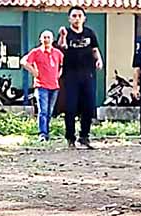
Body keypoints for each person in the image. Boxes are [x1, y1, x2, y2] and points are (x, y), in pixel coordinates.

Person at [57, 6, 103, 149]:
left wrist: (99, 59)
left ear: (84, 18)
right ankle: (70, 138)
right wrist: (63, 36)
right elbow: (61, 47)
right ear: (69, 19)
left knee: (88, 107)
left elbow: (95, 49)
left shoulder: (90, 33)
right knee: (70, 107)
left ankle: (85, 136)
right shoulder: (66, 32)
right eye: (74, 16)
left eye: (79, 16)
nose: (77, 19)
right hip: (71, 75)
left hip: (88, 75)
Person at [22, 30, 63, 141]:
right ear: (40, 39)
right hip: (41, 86)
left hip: (54, 86)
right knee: (43, 111)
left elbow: (64, 64)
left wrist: (59, 74)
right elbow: (23, 61)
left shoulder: (57, 53)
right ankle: (42, 133)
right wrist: (33, 71)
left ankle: (47, 132)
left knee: (49, 111)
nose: (46, 40)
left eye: (48, 37)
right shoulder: (36, 52)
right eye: (44, 37)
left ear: (52, 39)